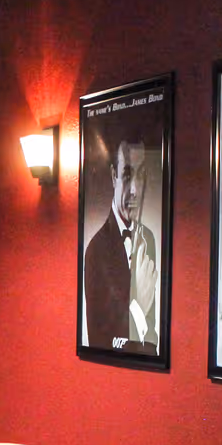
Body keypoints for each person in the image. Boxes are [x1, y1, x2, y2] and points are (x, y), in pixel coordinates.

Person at [83, 137, 160, 355]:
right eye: (127, 175)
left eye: (141, 174)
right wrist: (138, 308)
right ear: (113, 176)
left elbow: (151, 332)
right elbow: (98, 340)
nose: (135, 189)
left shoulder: (149, 238)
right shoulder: (95, 251)